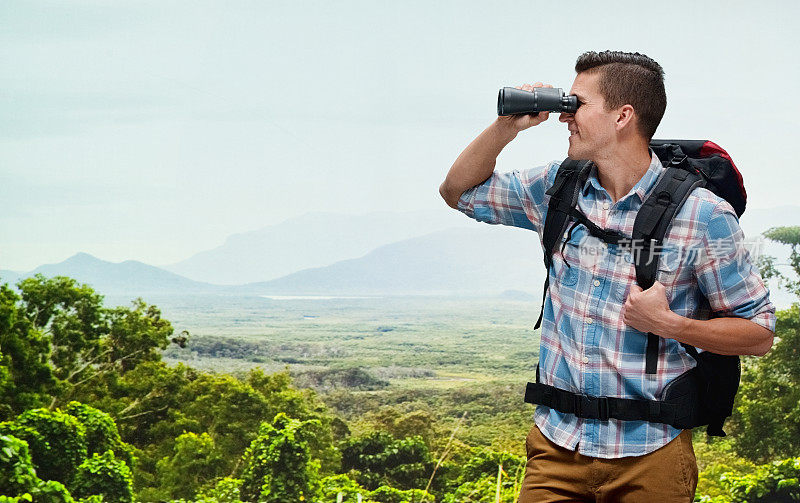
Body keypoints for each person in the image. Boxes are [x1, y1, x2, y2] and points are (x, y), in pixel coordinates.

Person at [438, 50, 776, 502]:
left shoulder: (702, 217)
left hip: (650, 455)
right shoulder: (558, 187)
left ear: (623, 116)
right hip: (556, 447)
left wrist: (672, 325)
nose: (565, 116)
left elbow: (758, 333)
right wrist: (507, 127)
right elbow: (457, 192)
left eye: (577, 104)